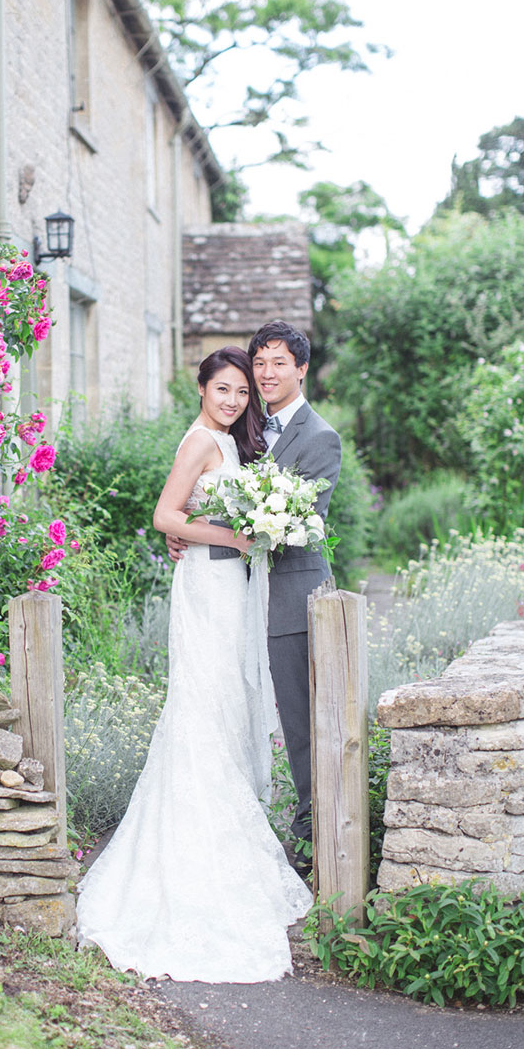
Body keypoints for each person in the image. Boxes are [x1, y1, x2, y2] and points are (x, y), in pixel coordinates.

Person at [76, 347, 312, 984]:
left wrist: (230, 532)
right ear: (202, 388)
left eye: (242, 392)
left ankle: (223, 840)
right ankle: (199, 852)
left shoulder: (230, 444)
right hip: (206, 590)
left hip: (228, 589)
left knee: (227, 707)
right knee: (202, 707)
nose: (234, 400)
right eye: (224, 389)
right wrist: (233, 536)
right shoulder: (200, 441)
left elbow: (196, 518)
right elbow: (164, 515)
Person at [168, 322, 341, 871]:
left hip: (291, 596)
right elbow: (211, 497)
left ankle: (316, 842)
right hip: (234, 595)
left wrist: (226, 529)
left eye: (277, 364)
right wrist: (187, 528)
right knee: (232, 708)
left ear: (302, 369)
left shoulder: (319, 437)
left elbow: (305, 523)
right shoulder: (245, 427)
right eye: (258, 364)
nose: (265, 375)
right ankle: (230, 827)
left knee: (300, 722)